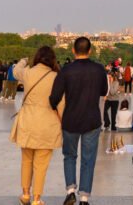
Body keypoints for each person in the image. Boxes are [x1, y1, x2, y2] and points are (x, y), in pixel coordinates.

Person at [48, 37, 108, 205]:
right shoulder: (98, 69)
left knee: (69, 156)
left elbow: (54, 97)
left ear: (73, 50)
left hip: (71, 120)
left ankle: (70, 190)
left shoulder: (66, 70)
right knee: (88, 159)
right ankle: (84, 197)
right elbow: (104, 91)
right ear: (89, 51)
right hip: (92, 120)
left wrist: (54, 107)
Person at [12, 46, 63, 205]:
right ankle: (37, 198)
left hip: (27, 121)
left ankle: (25, 194)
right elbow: (61, 103)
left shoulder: (28, 73)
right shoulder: (56, 77)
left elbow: (15, 71)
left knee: (26, 160)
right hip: (47, 123)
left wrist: (23, 60)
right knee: (41, 164)